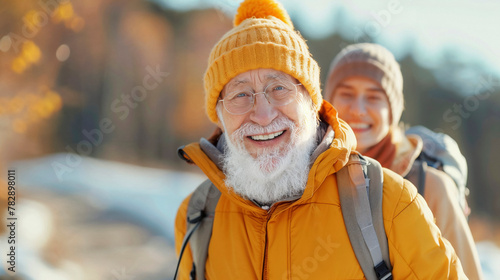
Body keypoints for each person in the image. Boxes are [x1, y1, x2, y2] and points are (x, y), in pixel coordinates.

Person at [175, 0, 466, 279]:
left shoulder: (392, 205)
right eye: (240, 94)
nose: (262, 115)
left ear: (311, 102)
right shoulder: (196, 216)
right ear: (219, 115)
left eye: (279, 87)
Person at [324, 43, 482, 280]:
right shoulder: (309, 179)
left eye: (374, 97)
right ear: (328, 102)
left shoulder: (430, 187)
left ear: (393, 109)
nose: (358, 109)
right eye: (346, 93)